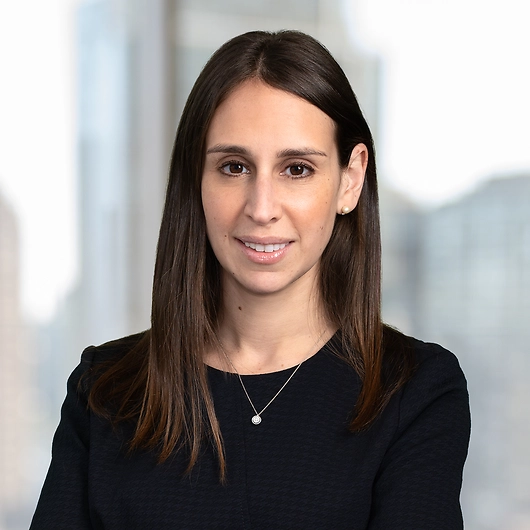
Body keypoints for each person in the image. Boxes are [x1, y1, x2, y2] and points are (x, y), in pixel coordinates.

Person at [31, 30, 470, 529]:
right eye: (234, 167)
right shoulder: (104, 390)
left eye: (297, 169)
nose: (262, 209)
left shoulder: (415, 393)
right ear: (196, 178)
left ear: (350, 180)